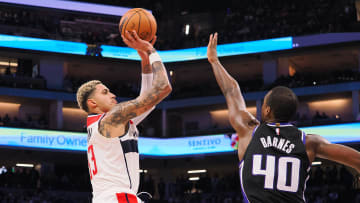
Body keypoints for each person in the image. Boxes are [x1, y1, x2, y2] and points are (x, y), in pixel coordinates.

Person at [207, 32, 360, 202]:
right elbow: (357, 159)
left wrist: (215, 61)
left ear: (267, 110)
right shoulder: (309, 142)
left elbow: (232, 91)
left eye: (263, 104)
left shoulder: (248, 132)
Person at [76, 30, 172, 203]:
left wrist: (144, 61)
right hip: (118, 198)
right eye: (105, 92)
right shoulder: (113, 118)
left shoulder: (106, 124)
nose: (113, 95)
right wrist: (151, 50)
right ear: (93, 103)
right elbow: (163, 88)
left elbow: (149, 101)